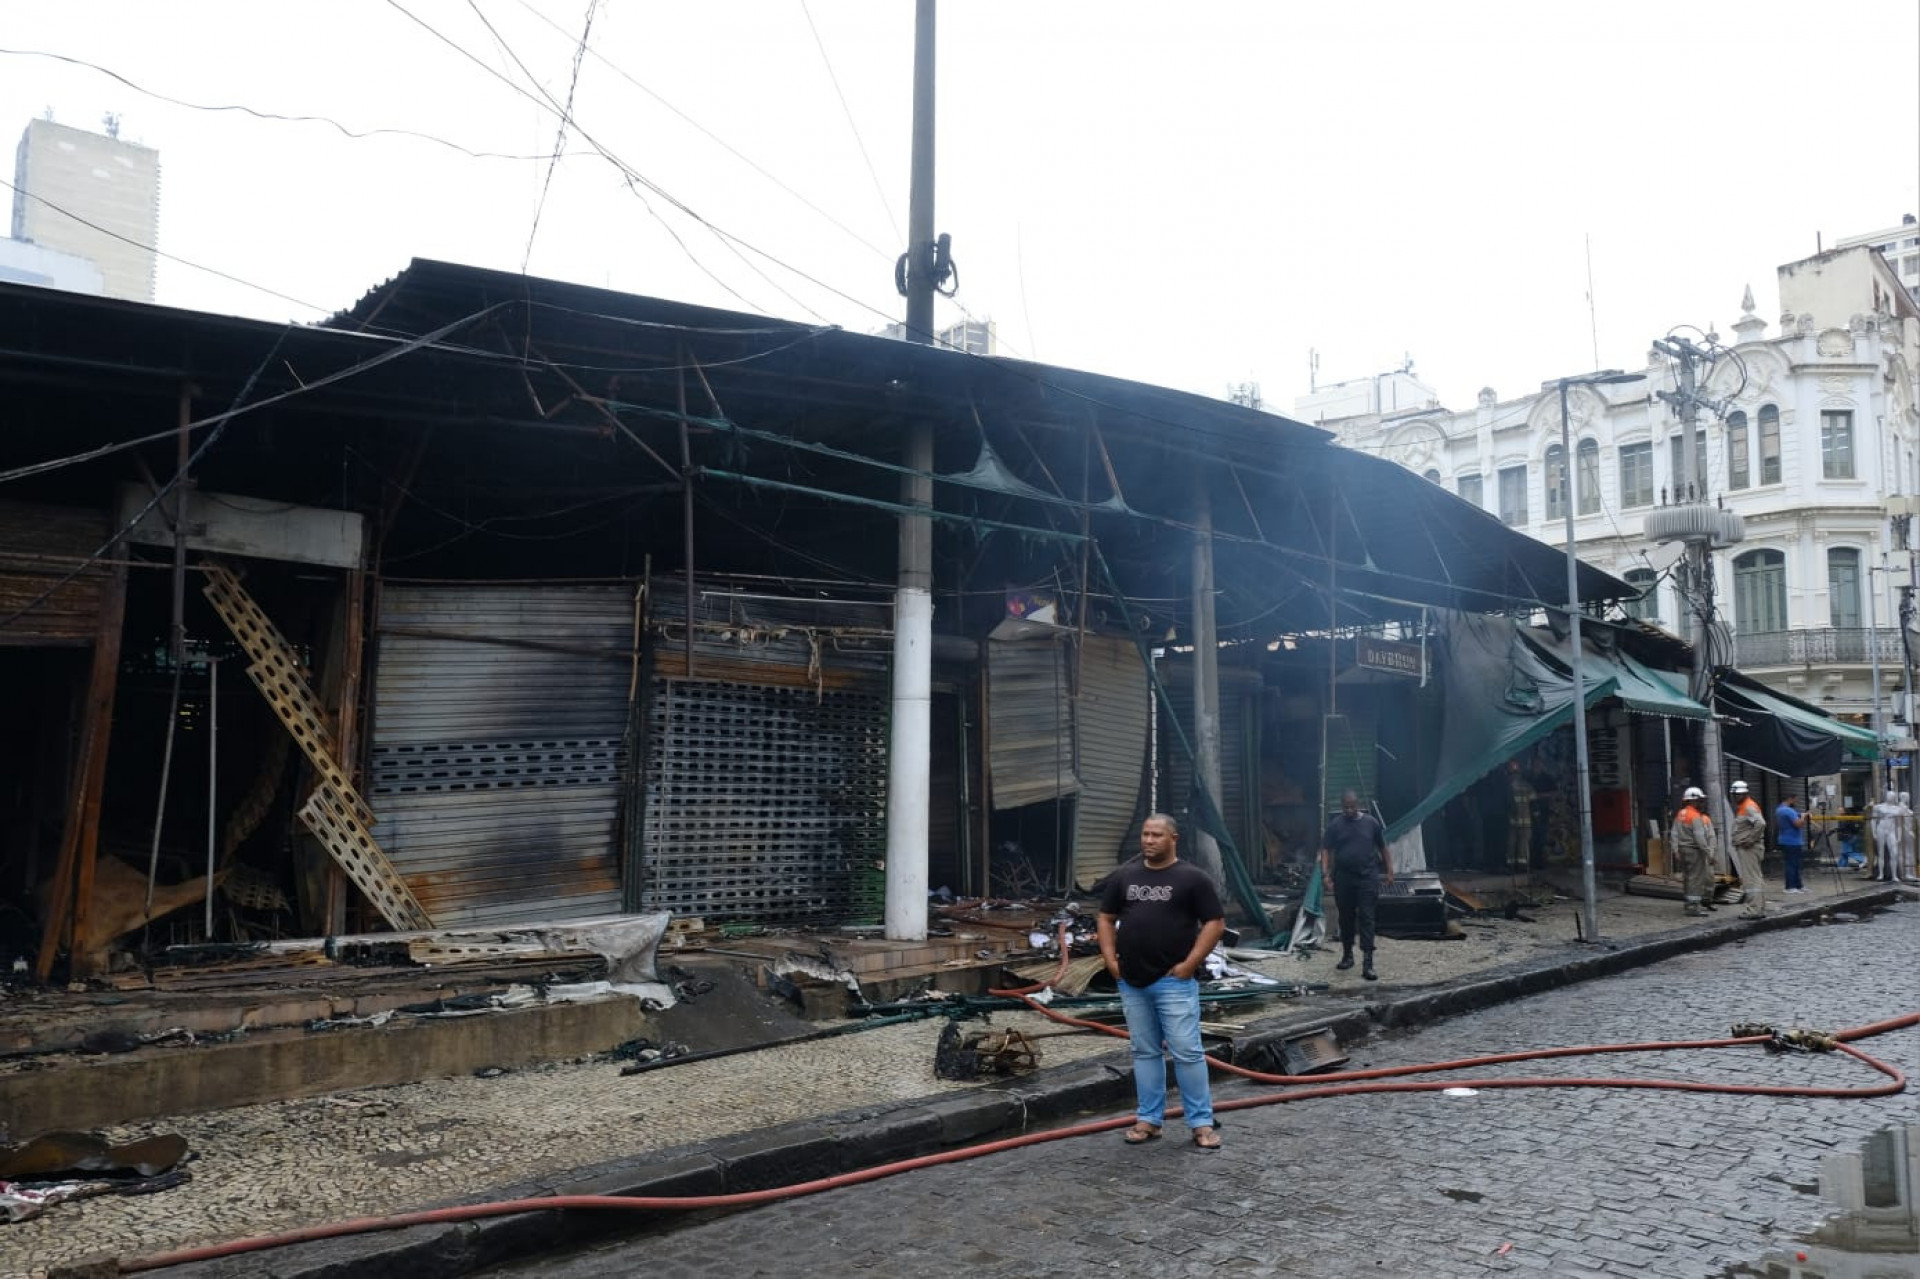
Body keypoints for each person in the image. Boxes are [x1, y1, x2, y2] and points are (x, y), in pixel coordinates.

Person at [1098, 814, 1226, 1151]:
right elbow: (1106, 917)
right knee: (1144, 1052)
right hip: (1132, 981)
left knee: (1187, 1052)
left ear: (1173, 839)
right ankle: (1149, 1120)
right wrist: (1110, 960)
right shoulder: (1125, 876)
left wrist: (1189, 964)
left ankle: (1201, 1123)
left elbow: (1215, 922)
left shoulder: (1192, 878)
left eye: (1156, 835)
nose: (1149, 840)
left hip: (1173, 982)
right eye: (1145, 834)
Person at [1319, 789, 1394, 981]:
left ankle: (1368, 963)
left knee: (1367, 918)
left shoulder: (1371, 823)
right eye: (1346, 807)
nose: (1349, 811)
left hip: (1367, 877)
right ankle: (1347, 955)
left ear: (1358, 805)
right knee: (1346, 918)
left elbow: (1383, 847)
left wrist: (1389, 871)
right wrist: (1325, 874)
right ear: (1342, 806)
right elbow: (1326, 849)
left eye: (1352, 807)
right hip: (1343, 878)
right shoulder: (1336, 825)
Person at [1671, 786, 1716, 917]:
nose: (1701, 803)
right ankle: (1693, 907)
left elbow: (1674, 833)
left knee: (1688, 878)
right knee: (1695, 879)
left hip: (1683, 850)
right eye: (1699, 800)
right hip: (1694, 851)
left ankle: (1688, 903)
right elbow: (1699, 838)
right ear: (1693, 801)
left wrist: (1675, 850)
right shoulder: (1695, 816)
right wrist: (1708, 853)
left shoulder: (1680, 814)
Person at [1728, 780, 1767, 919]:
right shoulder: (1745, 806)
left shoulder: (1748, 806)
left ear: (1745, 794)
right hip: (1750, 847)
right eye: (1735, 795)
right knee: (1756, 878)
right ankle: (1759, 908)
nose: (1736, 797)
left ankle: (1753, 910)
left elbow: (1761, 823)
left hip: (1749, 848)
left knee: (1751, 880)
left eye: (1738, 794)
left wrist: (1750, 839)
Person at [1506, 761, 1535, 873]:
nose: (1514, 776)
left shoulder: (1526, 786)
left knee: (1520, 845)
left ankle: (1520, 866)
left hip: (1521, 822)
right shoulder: (1508, 787)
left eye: (1515, 773)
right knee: (1512, 844)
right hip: (1514, 822)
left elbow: (1533, 801)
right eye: (1512, 774)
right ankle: (1512, 866)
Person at [1774, 794, 1806, 893]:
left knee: (1793, 863)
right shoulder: (1788, 810)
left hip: (1784, 839)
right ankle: (1791, 886)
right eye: (1795, 800)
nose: (1796, 802)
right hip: (1792, 841)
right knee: (1792, 864)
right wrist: (1803, 817)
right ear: (1789, 799)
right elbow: (1798, 824)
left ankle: (1798, 885)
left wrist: (1799, 815)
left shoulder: (1779, 810)